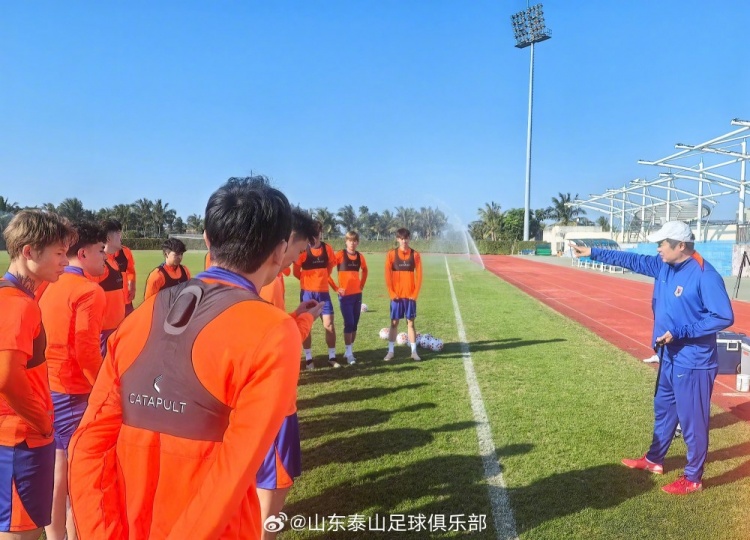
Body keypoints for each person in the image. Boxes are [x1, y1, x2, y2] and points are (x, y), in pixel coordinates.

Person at [68, 177, 304, 539]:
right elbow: (234, 471)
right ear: (280, 250)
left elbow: (88, 445)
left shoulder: (141, 317)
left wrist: (103, 533)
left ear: (207, 240)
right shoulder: (274, 331)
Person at [570, 220, 734, 495]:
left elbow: (723, 316)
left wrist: (681, 332)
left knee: (692, 422)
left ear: (681, 246)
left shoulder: (705, 275)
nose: (658, 248)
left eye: (662, 243)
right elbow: (631, 260)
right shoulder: (663, 265)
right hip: (668, 356)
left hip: (693, 362)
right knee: (664, 409)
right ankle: (654, 459)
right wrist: (592, 252)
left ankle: (693, 478)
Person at [0, 210, 75, 540]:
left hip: (18, 438)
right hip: (21, 440)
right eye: (59, 253)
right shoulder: (18, 304)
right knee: (21, 532)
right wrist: (43, 423)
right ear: (29, 251)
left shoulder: (15, 295)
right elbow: (6, 377)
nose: (65, 261)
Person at [37, 221, 107, 540]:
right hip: (73, 391)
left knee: (58, 467)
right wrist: (103, 389)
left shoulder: (48, 282)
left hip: (47, 386)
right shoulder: (88, 291)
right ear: (83, 253)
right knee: (75, 472)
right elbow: (87, 351)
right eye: (101, 251)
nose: (105, 257)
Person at [256, 207, 322, 540]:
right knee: (272, 485)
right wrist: (306, 320)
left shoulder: (270, 278)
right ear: (285, 242)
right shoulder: (266, 282)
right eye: (299, 250)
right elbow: (280, 344)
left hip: (269, 402)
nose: (298, 259)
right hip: (273, 406)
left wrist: (295, 314)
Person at [292, 222, 339, 369]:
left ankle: (332, 357)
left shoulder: (327, 249)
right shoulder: (303, 250)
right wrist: (308, 281)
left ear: (320, 233)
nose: (314, 238)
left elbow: (330, 266)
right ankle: (308, 359)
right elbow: (296, 272)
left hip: (324, 293)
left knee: (329, 325)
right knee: (306, 326)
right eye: (311, 234)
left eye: (316, 234)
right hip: (307, 293)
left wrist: (321, 279)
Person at [384, 228, 423, 362]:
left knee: (410, 323)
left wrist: (415, 294)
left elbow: (419, 276)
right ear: (397, 239)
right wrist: (391, 293)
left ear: (409, 239)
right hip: (396, 297)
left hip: (410, 297)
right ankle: (390, 351)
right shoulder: (391, 254)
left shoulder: (415, 255)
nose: (404, 241)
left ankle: (414, 352)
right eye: (401, 238)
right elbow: (387, 276)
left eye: (406, 238)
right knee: (394, 323)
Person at [335, 231, 368, 365]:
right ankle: (349, 354)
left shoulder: (360, 256)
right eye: (350, 240)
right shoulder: (340, 255)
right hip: (345, 296)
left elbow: (365, 270)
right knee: (348, 323)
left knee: (354, 324)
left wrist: (362, 284)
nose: (352, 243)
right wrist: (336, 288)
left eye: (354, 241)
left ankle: (349, 351)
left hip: (357, 295)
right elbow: (326, 269)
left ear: (357, 242)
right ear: (346, 241)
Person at [101, 220, 136, 316]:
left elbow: (131, 271)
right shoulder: (98, 260)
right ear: (108, 238)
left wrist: (132, 287)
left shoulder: (125, 252)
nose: (121, 236)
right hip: (108, 310)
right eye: (118, 233)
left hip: (126, 301)